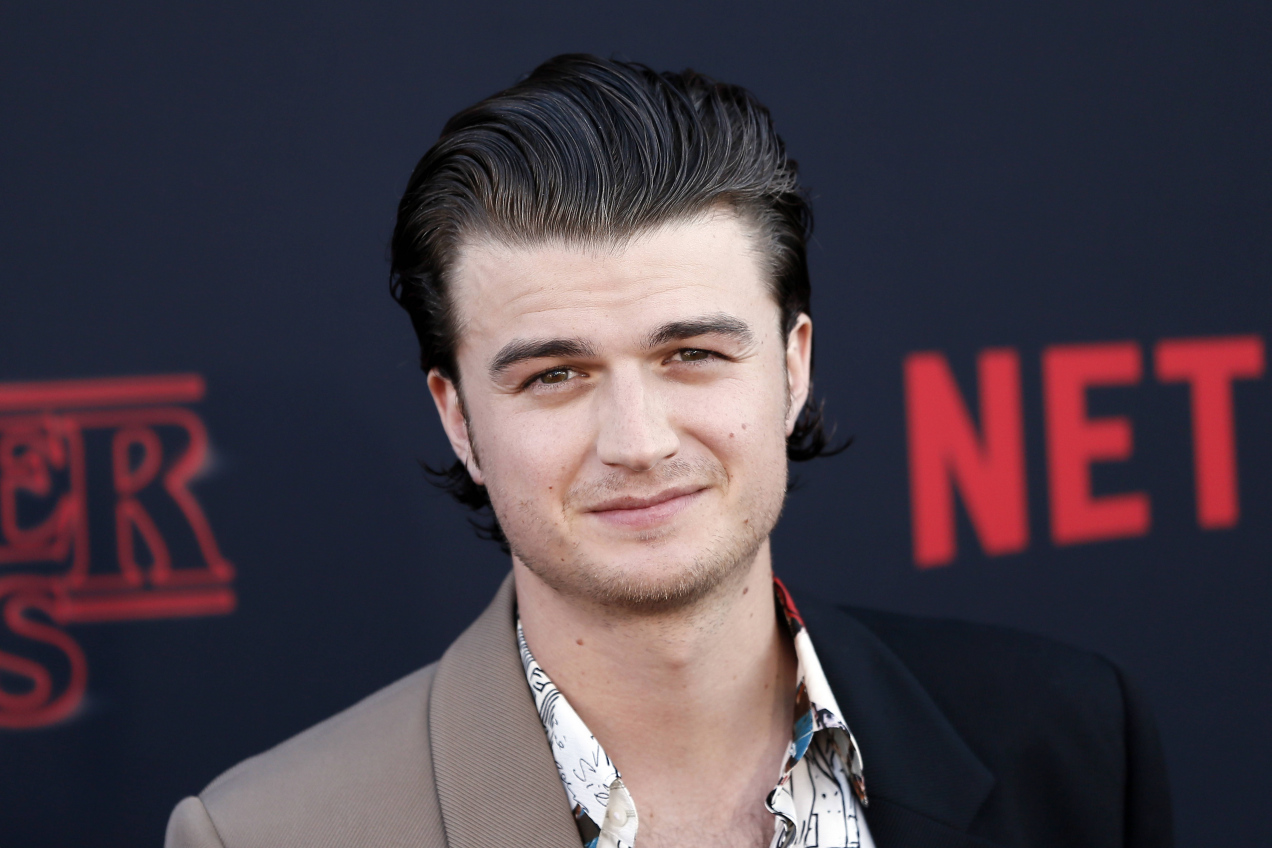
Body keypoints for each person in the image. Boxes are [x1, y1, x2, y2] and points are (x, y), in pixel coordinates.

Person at [165, 54, 1173, 848]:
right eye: (554, 375)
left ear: (793, 366)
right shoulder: (268, 834)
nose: (638, 443)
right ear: (458, 419)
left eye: (691, 354)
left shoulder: (1067, 742)